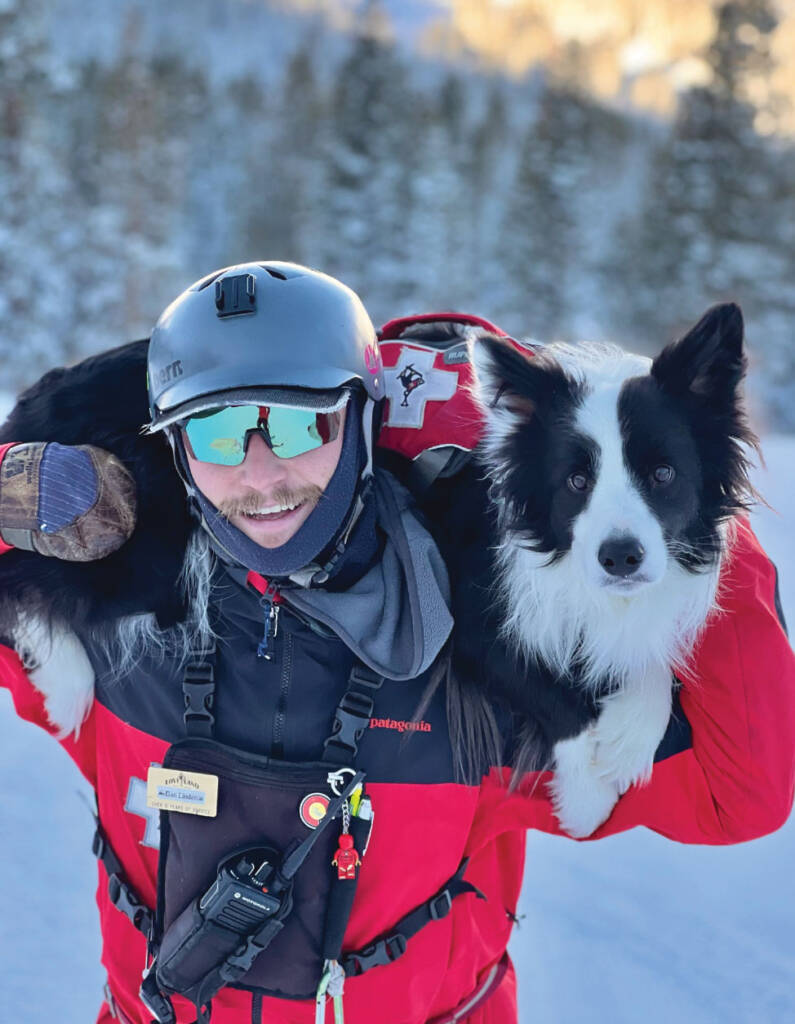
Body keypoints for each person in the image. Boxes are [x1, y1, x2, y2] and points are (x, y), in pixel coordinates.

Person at [0, 261, 793, 1024]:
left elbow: (741, 792)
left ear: (360, 422)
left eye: (300, 420)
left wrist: (692, 492)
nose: (261, 470)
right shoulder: (113, 634)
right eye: (216, 431)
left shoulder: (482, 661)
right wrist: (30, 477)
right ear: (171, 451)